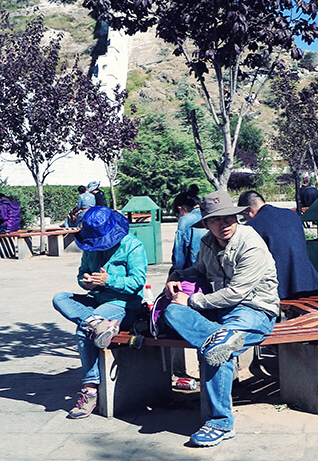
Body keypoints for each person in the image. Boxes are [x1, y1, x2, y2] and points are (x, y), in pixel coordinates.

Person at [163, 190, 279, 447]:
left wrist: (192, 301)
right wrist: (177, 277)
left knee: (217, 350)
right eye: (216, 219)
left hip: (254, 310)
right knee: (172, 311)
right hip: (220, 310)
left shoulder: (250, 243)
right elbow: (199, 271)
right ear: (205, 223)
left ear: (237, 218)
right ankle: (219, 339)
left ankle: (220, 423)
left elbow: (237, 293)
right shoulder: (207, 242)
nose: (224, 223)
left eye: (229, 217)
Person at [52, 207, 147, 420]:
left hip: (123, 304)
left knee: (81, 331)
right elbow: (81, 274)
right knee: (60, 298)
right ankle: (95, 322)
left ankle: (90, 389)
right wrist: (86, 281)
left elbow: (138, 282)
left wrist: (109, 281)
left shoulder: (133, 246)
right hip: (97, 301)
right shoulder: (90, 246)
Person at [237, 190, 318, 300]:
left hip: (280, 287)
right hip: (308, 280)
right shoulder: (291, 214)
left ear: (249, 211)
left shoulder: (252, 226)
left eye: (244, 217)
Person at [171, 184, 208, 270]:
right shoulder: (209, 215)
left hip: (195, 272)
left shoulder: (185, 221)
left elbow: (179, 259)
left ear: (181, 209)